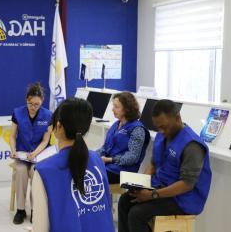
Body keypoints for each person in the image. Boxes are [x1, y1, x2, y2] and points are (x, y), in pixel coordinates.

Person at [118, 99, 212, 232]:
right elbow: (153, 165)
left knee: (137, 214)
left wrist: (152, 195)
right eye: (158, 127)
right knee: (125, 201)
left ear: (177, 118)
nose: (161, 131)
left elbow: (187, 184)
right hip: (161, 187)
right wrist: (139, 184)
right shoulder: (162, 136)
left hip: (183, 199)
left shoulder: (192, 145)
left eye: (164, 126)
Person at [32, 98, 115, 232]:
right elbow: (106, 208)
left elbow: (40, 228)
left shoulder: (44, 171)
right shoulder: (97, 160)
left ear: (58, 125)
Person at [9, 82, 52, 224]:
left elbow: (46, 140)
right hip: (22, 154)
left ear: (42, 102)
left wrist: (35, 153)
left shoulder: (48, 115)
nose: (33, 107)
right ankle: (21, 210)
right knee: (21, 172)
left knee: (35, 174)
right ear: (26, 100)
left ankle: (36, 210)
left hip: (39, 155)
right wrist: (13, 150)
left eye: (37, 104)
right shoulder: (17, 113)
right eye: (30, 103)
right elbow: (12, 136)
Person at [97, 92, 150, 183]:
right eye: (113, 106)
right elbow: (105, 147)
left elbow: (132, 157)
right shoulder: (116, 124)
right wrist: (93, 156)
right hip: (109, 166)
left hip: (124, 172)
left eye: (116, 107)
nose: (113, 109)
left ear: (127, 109)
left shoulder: (137, 129)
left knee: (92, 175)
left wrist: (110, 160)